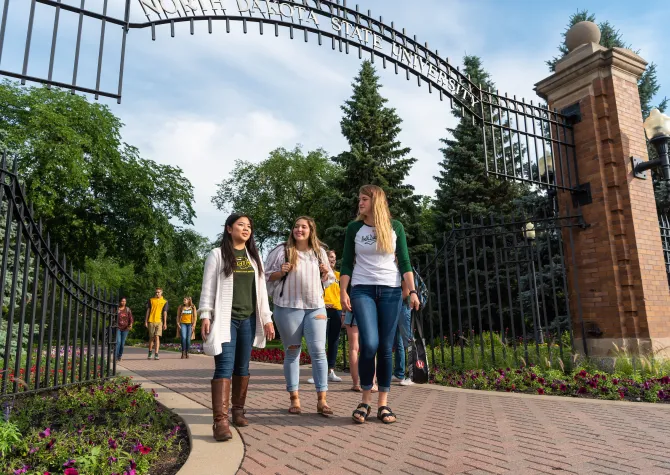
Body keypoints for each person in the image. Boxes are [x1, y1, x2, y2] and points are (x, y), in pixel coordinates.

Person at [340, 185, 420, 425]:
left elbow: (404, 261)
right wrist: (343, 291)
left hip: (391, 291)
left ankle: (382, 404)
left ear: (376, 202)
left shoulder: (395, 228)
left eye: (364, 199)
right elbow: (346, 263)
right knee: (370, 343)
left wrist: (413, 291)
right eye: (359, 199)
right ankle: (365, 398)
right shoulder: (354, 228)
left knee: (386, 347)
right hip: (362, 289)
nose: (360, 203)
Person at [199, 213, 275, 442]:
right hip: (225, 320)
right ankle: (220, 421)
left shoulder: (254, 257)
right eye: (241, 225)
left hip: (249, 320)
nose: (246, 229)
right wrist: (205, 314)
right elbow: (208, 288)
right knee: (224, 366)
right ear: (229, 228)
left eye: (249, 226)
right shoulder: (217, 255)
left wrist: (267, 318)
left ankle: (238, 411)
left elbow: (261, 292)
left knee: (242, 366)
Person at [265, 216, 336, 417]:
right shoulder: (282, 251)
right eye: (296, 226)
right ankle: (294, 398)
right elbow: (266, 276)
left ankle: (322, 400)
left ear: (311, 230)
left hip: (316, 307)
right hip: (288, 307)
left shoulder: (319, 252)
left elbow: (330, 278)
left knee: (318, 351)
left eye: (303, 227)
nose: (299, 230)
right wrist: (280, 272)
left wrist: (325, 272)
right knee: (293, 352)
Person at [308, 250, 343, 384]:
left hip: (337, 311)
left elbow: (343, 294)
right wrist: (323, 303)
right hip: (322, 309)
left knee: (334, 341)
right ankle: (317, 373)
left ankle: (331, 372)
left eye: (334, 257)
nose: (332, 259)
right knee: (319, 342)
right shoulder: (318, 275)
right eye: (330, 257)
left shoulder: (339, 276)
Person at [344, 309, 378, 393]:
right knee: (370, 347)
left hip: (352, 312)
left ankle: (356, 384)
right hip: (368, 312)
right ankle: (372, 383)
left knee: (353, 348)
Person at [392, 281, 414, 386]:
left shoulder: (402, 269)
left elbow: (406, 292)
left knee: (408, 340)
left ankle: (413, 375)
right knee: (398, 341)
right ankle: (399, 374)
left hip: (403, 306)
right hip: (398, 307)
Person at [145, 288, 168, 360]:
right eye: (156, 292)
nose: (157, 293)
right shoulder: (151, 300)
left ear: (161, 292)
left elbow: (165, 313)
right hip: (151, 321)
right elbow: (148, 311)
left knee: (157, 337)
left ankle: (156, 354)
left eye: (158, 292)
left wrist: (165, 323)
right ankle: (150, 352)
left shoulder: (165, 301)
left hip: (159, 321)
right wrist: (146, 321)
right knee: (151, 338)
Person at [116, 297, 133, 362]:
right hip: (118, 327)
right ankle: (116, 356)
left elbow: (130, 317)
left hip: (126, 328)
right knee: (118, 342)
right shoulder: (117, 309)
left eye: (124, 301)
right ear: (120, 302)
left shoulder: (127, 309)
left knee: (122, 343)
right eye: (122, 301)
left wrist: (131, 324)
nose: (123, 302)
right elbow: (113, 317)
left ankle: (120, 356)